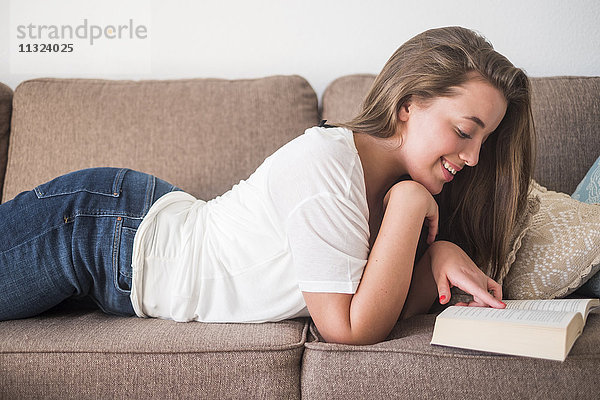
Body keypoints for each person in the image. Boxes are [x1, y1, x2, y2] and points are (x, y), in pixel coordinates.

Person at [0, 26, 534, 346]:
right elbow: (347, 330)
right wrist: (414, 206)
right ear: (407, 105)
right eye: (465, 131)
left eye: (484, 140)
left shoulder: (397, 191)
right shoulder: (329, 163)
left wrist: (436, 253)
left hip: (137, 231)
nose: (473, 156)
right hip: (98, 232)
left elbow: (381, 309)